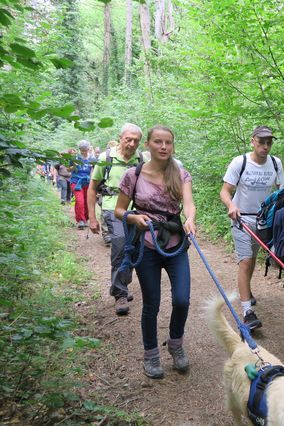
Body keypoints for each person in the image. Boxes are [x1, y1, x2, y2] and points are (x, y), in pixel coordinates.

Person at [114, 125, 196, 379]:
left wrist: (190, 219)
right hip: (146, 245)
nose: (163, 147)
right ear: (148, 145)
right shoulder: (133, 175)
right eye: (158, 142)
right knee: (152, 303)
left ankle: (176, 344)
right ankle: (151, 355)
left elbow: (189, 205)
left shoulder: (180, 174)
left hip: (175, 243)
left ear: (172, 146)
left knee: (182, 299)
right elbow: (118, 210)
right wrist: (134, 218)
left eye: (168, 143)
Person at [220, 125, 284, 330]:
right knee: (246, 261)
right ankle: (247, 312)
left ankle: (245, 292)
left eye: (269, 142)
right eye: (261, 142)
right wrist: (231, 205)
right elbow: (225, 191)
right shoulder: (241, 162)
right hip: (242, 219)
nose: (265, 146)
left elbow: (282, 193)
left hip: (264, 221)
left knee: (253, 259)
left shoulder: (276, 163)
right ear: (253, 141)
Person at [88, 125, 143, 315]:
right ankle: (120, 293)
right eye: (128, 139)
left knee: (134, 251)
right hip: (112, 208)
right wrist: (92, 217)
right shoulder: (106, 158)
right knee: (120, 247)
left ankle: (120, 285)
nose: (132, 143)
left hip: (135, 210)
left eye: (136, 140)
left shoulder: (141, 159)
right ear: (120, 138)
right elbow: (92, 188)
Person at [69, 140, 95, 229]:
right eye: (82, 150)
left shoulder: (92, 159)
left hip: (88, 182)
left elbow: (95, 171)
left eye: (85, 150)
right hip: (76, 182)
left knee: (87, 201)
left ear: (88, 149)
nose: (83, 152)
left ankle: (85, 219)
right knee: (80, 201)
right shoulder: (75, 158)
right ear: (79, 149)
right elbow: (68, 169)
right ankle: (80, 220)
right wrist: (74, 166)